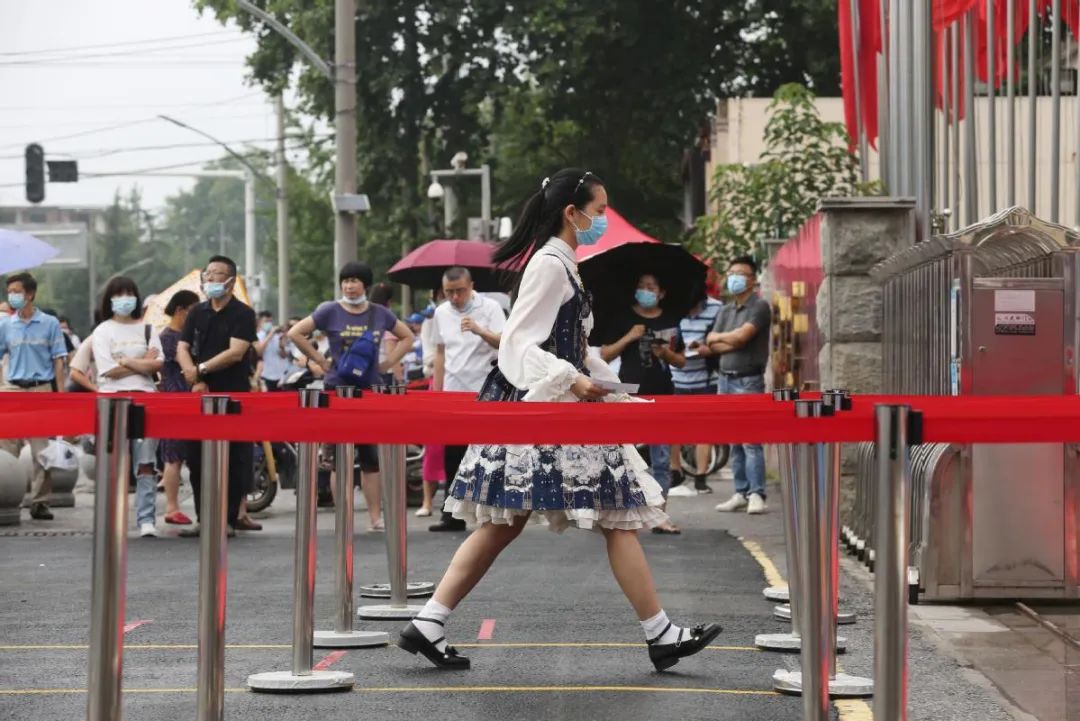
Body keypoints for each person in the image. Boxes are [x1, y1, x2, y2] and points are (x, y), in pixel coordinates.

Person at [397, 168, 721, 673]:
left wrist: (607, 388)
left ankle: (430, 621)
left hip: (555, 404)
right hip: (543, 406)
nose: (602, 220)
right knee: (606, 514)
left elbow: (571, 346)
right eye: (599, 210)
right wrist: (573, 380)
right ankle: (659, 633)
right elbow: (518, 344)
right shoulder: (551, 264)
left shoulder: (563, 263)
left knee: (521, 520)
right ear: (573, 213)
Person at [288, 261, 415, 532]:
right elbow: (295, 333)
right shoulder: (329, 311)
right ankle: (343, 517)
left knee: (371, 459)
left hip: (369, 391)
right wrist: (320, 360)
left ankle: (375, 518)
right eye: (345, 281)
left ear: (365, 285)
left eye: (355, 281)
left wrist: (387, 362)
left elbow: (407, 337)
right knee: (338, 459)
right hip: (336, 391)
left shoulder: (380, 314)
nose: (349, 285)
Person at [176, 255, 258, 537]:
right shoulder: (197, 312)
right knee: (197, 458)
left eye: (217, 274)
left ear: (231, 281)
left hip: (233, 394)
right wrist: (193, 375)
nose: (210, 279)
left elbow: (236, 352)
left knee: (233, 458)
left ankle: (228, 519)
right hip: (199, 396)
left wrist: (200, 369)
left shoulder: (244, 314)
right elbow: (182, 347)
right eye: (208, 274)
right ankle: (203, 518)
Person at [598, 272, 684, 534]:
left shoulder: (671, 320)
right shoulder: (625, 318)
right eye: (640, 286)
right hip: (628, 391)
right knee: (621, 453)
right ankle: (619, 512)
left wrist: (665, 353)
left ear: (661, 293)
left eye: (651, 286)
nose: (645, 290)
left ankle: (660, 516)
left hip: (662, 392)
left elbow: (681, 360)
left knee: (661, 457)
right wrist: (630, 337)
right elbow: (604, 353)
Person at [427, 266, 506, 532]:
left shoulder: (491, 307)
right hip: (452, 390)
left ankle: (491, 511)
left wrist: (479, 330)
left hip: (484, 389)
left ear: (471, 285)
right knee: (453, 454)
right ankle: (452, 513)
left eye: (460, 291)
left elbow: (505, 342)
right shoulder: (441, 312)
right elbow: (440, 351)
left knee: (486, 451)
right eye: (449, 292)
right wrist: (437, 392)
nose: (455, 297)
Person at [92, 277, 165, 537]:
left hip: (146, 398)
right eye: (119, 294)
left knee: (146, 462)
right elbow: (107, 370)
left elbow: (158, 365)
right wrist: (141, 361)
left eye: (129, 293)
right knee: (115, 463)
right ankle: (113, 518)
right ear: (110, 299)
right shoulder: (103, 331)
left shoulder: (147, 329)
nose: (125, 298)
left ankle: (146, 519)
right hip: (112, 400)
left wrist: (126, 361)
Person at [707, 255, 772, 515]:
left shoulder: (760, 307)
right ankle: (740, 491)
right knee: (733, 439)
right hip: (725, 378)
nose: (734, 277)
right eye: (731, 272)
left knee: (750, 439)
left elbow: (745, 337)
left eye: (741, 273)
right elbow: (711, 340)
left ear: (752, 280)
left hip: (749, 379)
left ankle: (757, 493)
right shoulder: (725, 310)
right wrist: (729, 340)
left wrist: (730, 340)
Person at [0, 272, 68, 521]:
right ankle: (6, 496)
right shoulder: (5, 324)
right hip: (12, 389)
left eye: (17, 291)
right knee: (7, 447)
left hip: (41, 390)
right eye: (10, 292)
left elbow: (58, 361)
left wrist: (60, 396)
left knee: (42, 451)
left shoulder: (50, 323)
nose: (13, 296)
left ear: (30, 294)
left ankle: (40, 501)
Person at [668, 286, 724, 497]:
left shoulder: (717, 309)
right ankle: (676, 471)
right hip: (677, 377)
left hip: (706, 378)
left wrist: (708, 349)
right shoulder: (672, 309)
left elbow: (721, 341)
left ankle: (701, 476)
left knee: (704, 427)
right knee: (673, 428)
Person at [158, 289, 200, 526]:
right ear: (180, 310)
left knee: (186, 455)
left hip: (190, 398)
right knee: (173, 455)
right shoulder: (168, 338)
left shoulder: (187, 337)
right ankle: (172, 507)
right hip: (175, 399)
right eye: (193, 310)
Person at [255, 311, 293, 391]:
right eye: (266, 321)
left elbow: (283, 356)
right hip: (266, 375)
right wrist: (270, 334)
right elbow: (259, 351)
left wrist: (282, 347)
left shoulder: (278, 336)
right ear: (260, 322)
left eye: (270, 321)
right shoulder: (258, 336)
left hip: (280, 376)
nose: (269, 324)